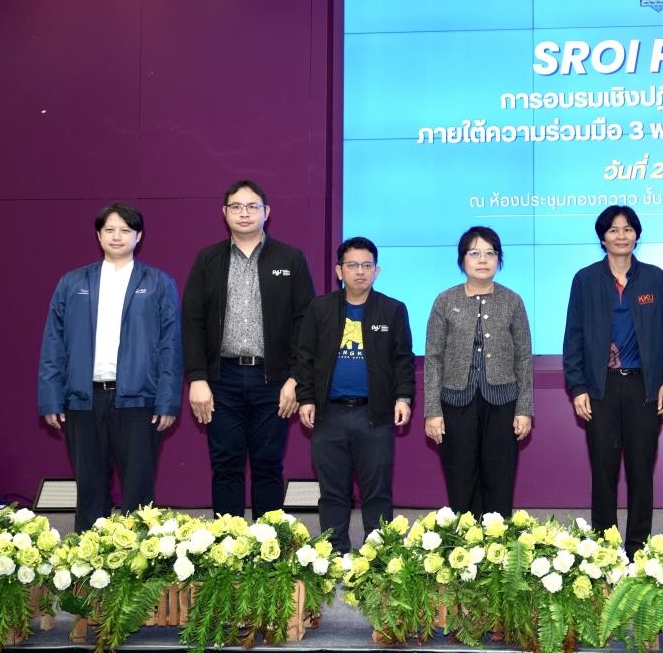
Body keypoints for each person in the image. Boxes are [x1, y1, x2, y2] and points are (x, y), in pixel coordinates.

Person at [37, 203, 182, 532]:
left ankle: (138, 560)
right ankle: (88, 562)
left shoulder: (159, 283)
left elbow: (171, 346)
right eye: (110, 230)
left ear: (138, 236)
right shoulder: (72, 283)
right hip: (83, 400)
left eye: (125, 230)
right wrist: (50, 398)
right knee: (89, 490)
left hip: (140, 402)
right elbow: (53, 343)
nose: (117, 237)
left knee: (139, 493)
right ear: (98, 235)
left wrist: (167, 401)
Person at [183, 179, 315, 518]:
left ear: (266, 212)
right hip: (221, 379)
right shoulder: (207, 259)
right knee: (225, 464)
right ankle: (228, 543)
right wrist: (197, 378)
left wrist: (296, 379)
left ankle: (266, 544)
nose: (244, 213)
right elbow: (192, 321)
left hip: (274, 380)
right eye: (237, 207)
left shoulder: (291, 258)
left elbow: (306, 323)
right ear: (224, 213)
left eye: (252, 206)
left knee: (268, 464)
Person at [564, 206, 663, 557]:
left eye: (628, 229)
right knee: (604, 473)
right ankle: (605, 551)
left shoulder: (655, 278)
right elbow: (574, 338)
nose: (621, 236)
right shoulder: (585, 280)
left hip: (644, 387)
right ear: (602, 238)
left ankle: (638, 549)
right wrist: (578, 387)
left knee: (642, 473)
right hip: (601, 388)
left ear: (636, 235)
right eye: (613, 230)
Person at [294, 237, 415, 553]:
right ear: (339, 271)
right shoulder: (320, 309)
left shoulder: (392, 310)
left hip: (374, 414)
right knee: (332, 491)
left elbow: (403, 360)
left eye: (366, 265)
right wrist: (305, 398)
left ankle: (379, 553)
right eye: (352, 265)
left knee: (377, 491)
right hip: (329, 414)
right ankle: (334, 552)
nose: (360, 272)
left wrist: (403, 398)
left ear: (377, 271)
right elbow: (305, 358)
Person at [423, 227, 533, 518]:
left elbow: (524, 358)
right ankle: (465, 540)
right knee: (460, 476)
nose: (483, 260)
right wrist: (432, 411)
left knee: (500, 474)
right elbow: (433, 358)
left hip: (502, 402)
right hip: (455, 402)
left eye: (490, 253)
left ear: (498, 259)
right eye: (474, 253)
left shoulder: (512, 301)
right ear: (462, 260)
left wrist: (524, 409)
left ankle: (497, 538)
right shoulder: (445, 300)